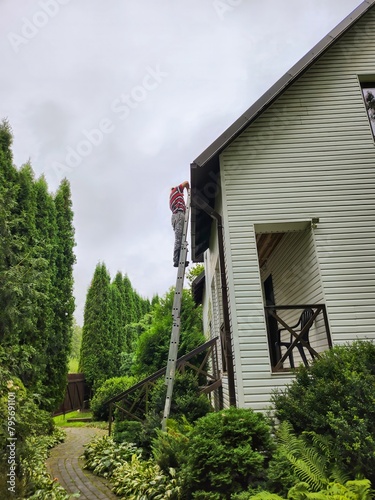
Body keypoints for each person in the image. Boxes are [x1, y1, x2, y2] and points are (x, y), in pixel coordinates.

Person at [170, 181, 190, 267]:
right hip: (178, 215)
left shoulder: (175, 199)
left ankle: (181, 259)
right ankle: (176, 260)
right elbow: (186, 182)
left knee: (181, 239)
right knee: (179, 239)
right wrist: (189, 190)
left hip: (176, 216)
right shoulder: (176, 191)